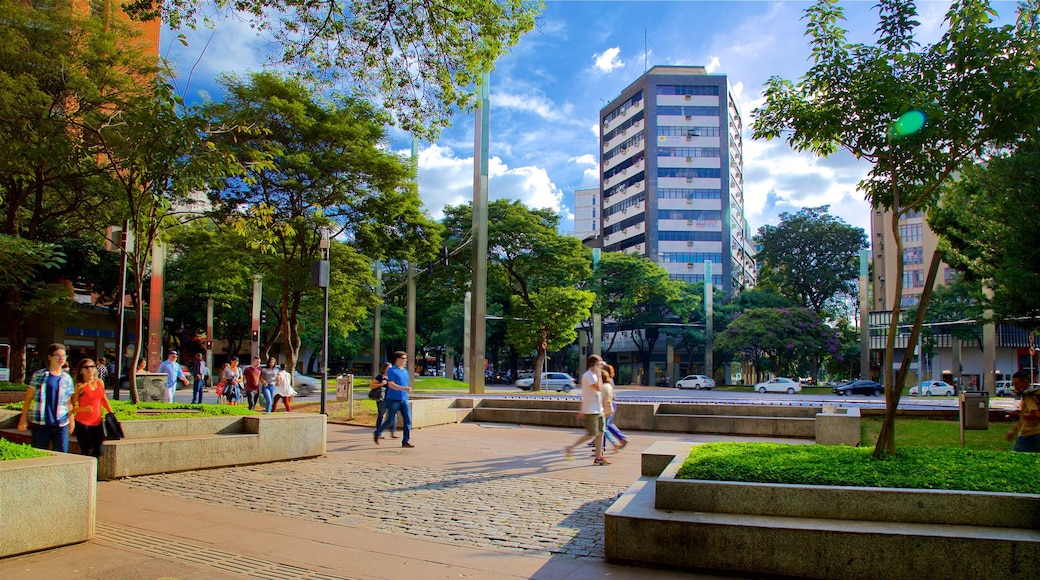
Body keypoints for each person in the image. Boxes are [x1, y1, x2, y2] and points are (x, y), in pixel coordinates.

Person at [17, 343, 77, 452]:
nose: (61, 358)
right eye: (58, 355)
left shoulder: (67, 378)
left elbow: (68, 402)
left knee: (62, 455)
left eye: (64, 356)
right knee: (39, 454)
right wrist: (23, 419)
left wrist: (71, 421)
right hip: (40, 423)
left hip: (61, 423)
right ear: (50, 357)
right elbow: (28, 398)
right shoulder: (39, 375)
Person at [565, 355, 609, 465]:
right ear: (592, 364)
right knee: (591, 434)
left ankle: (599, 458)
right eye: (598, 364)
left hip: (598, 409)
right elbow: (598, 388)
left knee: (601, 432)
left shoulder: (593, 375)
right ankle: (571, 447)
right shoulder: (588, 376)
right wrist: (599, 375)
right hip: (591, 410)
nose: (600, 367)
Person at [72, 358, 114, 457]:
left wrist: (111, 413)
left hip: (97, 422)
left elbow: (103, 399)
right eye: (86, 367)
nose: (89, 369)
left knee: (99, 451)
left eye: (92, 366)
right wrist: (84, 409)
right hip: (83, 423)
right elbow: (72, 407)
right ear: (81, 371)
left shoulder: (99, 383)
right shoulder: (79, 386)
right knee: (86, 451)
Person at [374, 351, 414, 447]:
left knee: (408, 420)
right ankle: (377, 432)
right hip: (393, 399)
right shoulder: (392, 370)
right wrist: (403, 388)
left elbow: (404, 383)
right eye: (404, 358)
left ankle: (405, 441)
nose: (406, 360)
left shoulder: (405, 371)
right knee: (390, 420)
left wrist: (406, 388)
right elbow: (390, 384)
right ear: (398, 359)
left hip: (404, 399)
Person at [1006, 370, 1040, 452]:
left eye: (1017, 384)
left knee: (1015, 458)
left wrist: (1022, 415)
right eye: (1013, 384)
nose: (1015, 387)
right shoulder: (1035, 394)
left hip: (1028, 434)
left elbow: (1036, 415)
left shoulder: (1028, 396)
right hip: (1036, 432)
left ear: (1026, 382)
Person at [600, 364, 628, 452]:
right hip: (610, 405)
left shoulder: (606, 383)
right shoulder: (609, 382)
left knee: (604, 427)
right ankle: (620, 439)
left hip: (607, 405)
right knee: (607, 426)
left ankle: (604, 446)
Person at [369, 362, 397, 439]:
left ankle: (393, 432)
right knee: (381, 415)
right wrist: (381, 384)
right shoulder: (380, 377)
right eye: (389, 368)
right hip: (382, 399)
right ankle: (379, 433)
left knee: (393, 415)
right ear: (384, 368)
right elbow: (371, 385)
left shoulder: (392, 377)